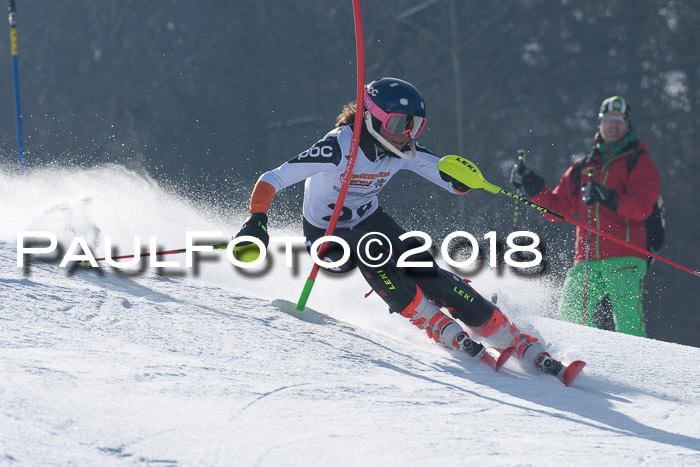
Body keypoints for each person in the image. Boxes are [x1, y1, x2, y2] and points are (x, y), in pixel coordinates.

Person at [234, 77, 573, 380]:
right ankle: (431, 320)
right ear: (371, 117)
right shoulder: (339, 146)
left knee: (426, 270)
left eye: (415, 125)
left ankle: (510, 337)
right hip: (327, 234)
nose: (407, 132)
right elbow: (272, 178)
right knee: (373, 252)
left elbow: (447, 178)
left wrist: (463, 181)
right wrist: (256, 219)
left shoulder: (403, 150)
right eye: (399, 122)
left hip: (369, 219)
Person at [511, 96, 660, 337]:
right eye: (608, 119)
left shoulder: (639, 163)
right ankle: (588, 361)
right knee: (570, 312)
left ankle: (637, 371)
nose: (613, 125)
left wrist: (609, 197)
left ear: (628, 126)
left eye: (619, 120)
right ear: (599, 124)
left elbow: (643, 208)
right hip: (588, 257)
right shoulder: (584, 166)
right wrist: (532, 186)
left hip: (625, 255)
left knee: (628, 320)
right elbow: (558, 209)